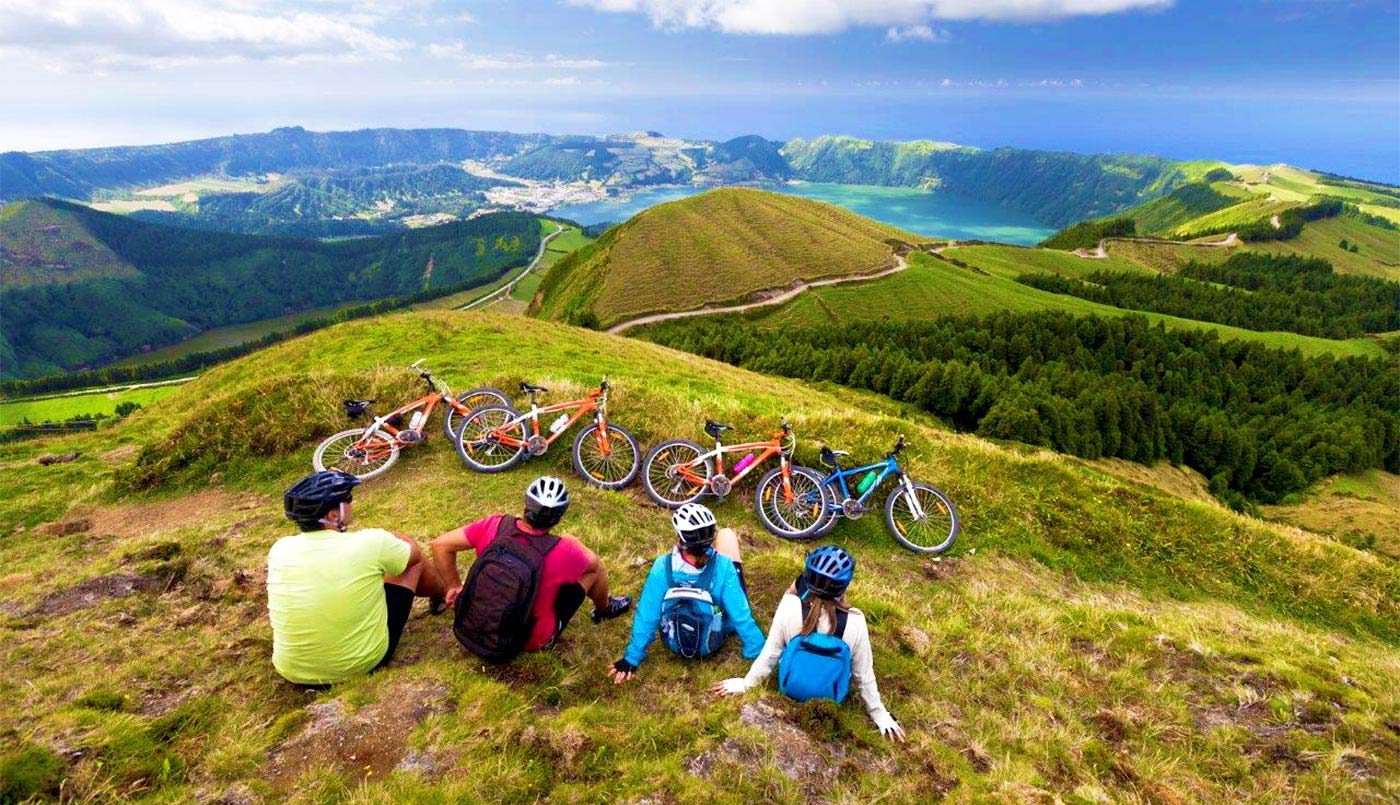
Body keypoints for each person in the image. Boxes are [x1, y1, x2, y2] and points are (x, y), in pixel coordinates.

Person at [713, 545, 906, 742]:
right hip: (831, 697)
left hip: (789, 688)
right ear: (844, 586)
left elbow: (770, 654)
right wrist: (879, 714)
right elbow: (863, 674)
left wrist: (746, 684)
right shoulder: (856, 621)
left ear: (807, 579)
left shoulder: (789, 606)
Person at [266, 470, 442, 686]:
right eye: (347, 499)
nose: (351, 502)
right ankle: (446, 594)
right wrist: (398, 538)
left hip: (293, 671)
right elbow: (413, 555)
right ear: (333, 515)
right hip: (358, 666)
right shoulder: (371, 542)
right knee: (407, 559)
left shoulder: (280, 548)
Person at [431, 476, 631, 663]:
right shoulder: (565, 549)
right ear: (558, 518)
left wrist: (453, 587)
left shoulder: (494, 525)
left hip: (471, 623)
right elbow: (594, 564)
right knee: (593, 571)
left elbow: (440, 545)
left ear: (526, 505)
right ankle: (604, 609)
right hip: (529, 641)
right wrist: (572, 541)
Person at [608, 504, 765, 684]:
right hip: (711, 642)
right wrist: (756, 649)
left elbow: (647, 614)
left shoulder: (663, 566)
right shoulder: (723, 565)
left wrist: (632, 658)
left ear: (681, 540)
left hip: (674, 642)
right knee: (727, 535)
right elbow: (740, 614)